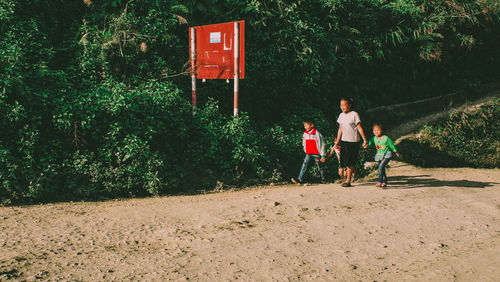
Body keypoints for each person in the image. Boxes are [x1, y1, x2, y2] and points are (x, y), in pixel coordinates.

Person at [334, 98, 368, 187]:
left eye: (344, 105)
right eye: (341, 105)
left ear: (349, 105)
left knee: (349, 162)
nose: (343, 107)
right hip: (344, 141)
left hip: (353, 141)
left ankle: (348, 181)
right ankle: (353, 172)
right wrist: (337, 141)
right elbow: (340, 129)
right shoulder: (341, 115)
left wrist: (364, 139)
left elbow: (359, 127)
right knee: (343, 161)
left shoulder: (354, 114)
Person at [291, 119, 327, 184]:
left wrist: (323, 155)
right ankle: (300, 179)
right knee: (304, 165)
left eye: (306, 126)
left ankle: (323, 179)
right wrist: (305, 150)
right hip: (309, 153)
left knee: (320, 167)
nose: (305, 127)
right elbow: (304, 143)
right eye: (304, 126)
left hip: (317, 154)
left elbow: (322, 144)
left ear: (312, 125)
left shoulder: (317, 134)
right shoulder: (305, 134)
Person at [367, 123, 400, 188]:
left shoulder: (386, 138)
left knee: (381, 166)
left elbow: (391, 145)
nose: (376, 132)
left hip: (387, 155)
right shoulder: (374, 138)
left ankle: (380, 181)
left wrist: (396, 151)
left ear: (382, 130)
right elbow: (369, 143)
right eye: (374, 130)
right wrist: (366, 145)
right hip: (379, 155)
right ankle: (384, 182)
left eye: (378, 130)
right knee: (381, 168)